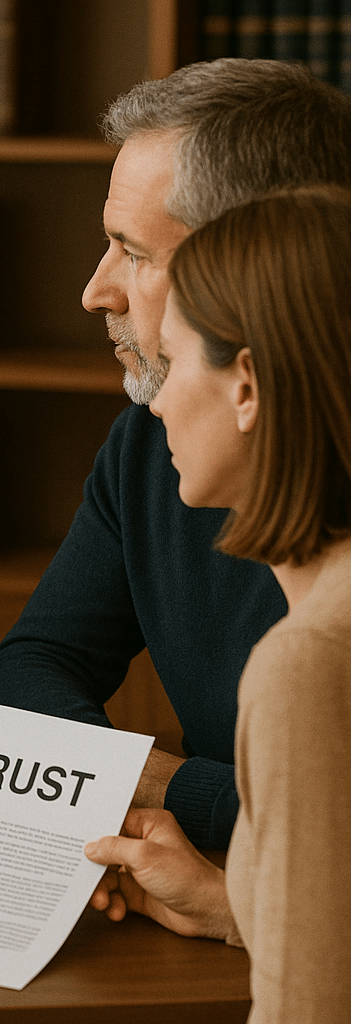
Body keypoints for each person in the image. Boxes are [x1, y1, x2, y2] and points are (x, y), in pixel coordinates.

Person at [0, 58, 351, 848]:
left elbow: (329, 825)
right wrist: (144, 792)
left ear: (253, 264)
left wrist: (166, 788)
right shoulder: (155, 437)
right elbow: (30, 667)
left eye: (133, 250)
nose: (95, 290)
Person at [85, 185, 351, 1023]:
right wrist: (240, 906)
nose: (155, 400)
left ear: (247, 385)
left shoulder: (308, 664)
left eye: (175, 358)